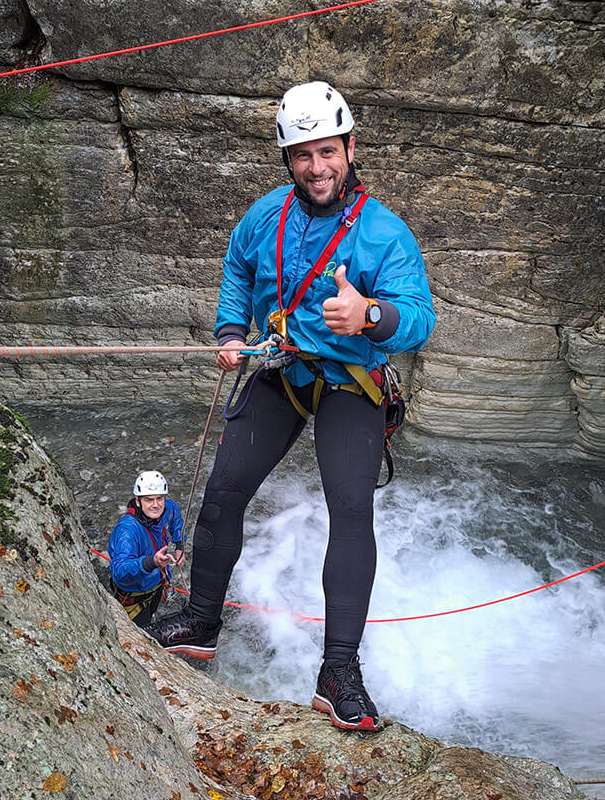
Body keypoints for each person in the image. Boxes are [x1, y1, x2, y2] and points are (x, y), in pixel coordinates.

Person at [147, 81, 436, 731]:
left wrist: (371, 314)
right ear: (289, 160)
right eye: (303, 155)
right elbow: (237, 266)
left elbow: (418, 318)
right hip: (280, 367)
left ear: (350, 147)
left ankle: (339, 673)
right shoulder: (268, 215)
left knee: (351, 510)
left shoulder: (383, 234)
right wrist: (229, 332)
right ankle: (199, 621)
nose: (317, 167)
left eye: (327, 151)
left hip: (349, 382)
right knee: (223, 490)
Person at [108, 470, 185, 628]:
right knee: (140, 630)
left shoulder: (166, 509)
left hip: (156, 580)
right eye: (149, 500)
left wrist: (179, 544)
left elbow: (175, 516)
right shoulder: (128, 531)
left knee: (152, 613)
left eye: (159, 498)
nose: (156, 505)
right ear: (138, 501)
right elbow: (120, 572)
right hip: (135, 592)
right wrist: (152, 562)